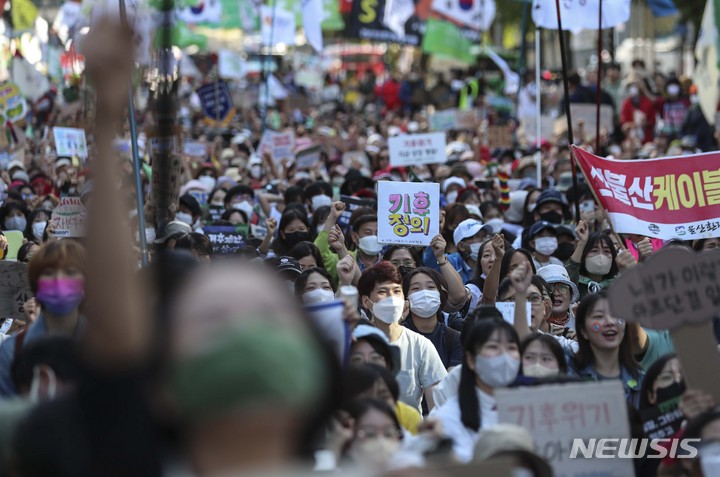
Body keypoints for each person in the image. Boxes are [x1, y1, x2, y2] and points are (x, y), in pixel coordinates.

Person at [0, 240, 87, 397]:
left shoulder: (107, 346)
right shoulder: (11, 351)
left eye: (70, 271)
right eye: (48, 273)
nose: (58, 280)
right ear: (35, 284)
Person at [430, 316, 521, 463]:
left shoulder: (530, 405)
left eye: (511, 348)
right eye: (493, 347)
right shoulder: (448, 418)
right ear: (471, 360)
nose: (504, 356)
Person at [357, 261, 446, 411]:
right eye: (382, 292)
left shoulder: (420, 345)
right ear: (366, 301)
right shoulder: (355, 343)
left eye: (397, 291)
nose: (392, 298)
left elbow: (438, 404)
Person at [569, 291, 644, 408]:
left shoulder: (643, 382)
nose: (610, 322)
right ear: (583, 330)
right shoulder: (568, 377)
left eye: (615, 315)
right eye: (599, 316)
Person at [401, 267, 463, 369]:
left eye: (430, 287)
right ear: (405, 297)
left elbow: (452, 380)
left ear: (439, 295)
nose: (425, 293)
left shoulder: (454, 338)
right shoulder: (398, 335)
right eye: (416, 288)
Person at [566, 223, 619, 298]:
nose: (601, 256)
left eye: (606, 251)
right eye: (594, 250)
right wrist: (582, 243)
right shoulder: (574, 284)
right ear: (583, 255)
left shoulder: (618, 284)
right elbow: (568, 273)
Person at [536, 264, 579, 329]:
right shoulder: (530, 324)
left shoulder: (581, 323)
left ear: (571, 295)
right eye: (550, 288)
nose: (556, 293)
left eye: (562, 288)